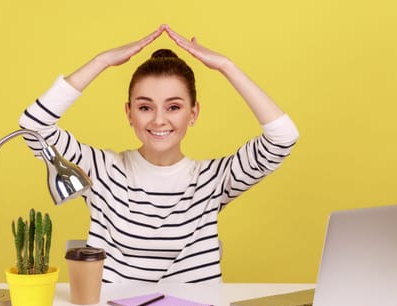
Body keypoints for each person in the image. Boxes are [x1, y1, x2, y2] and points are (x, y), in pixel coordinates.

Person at [19, 24, 299, 283]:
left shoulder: (214, 179)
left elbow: (283, 138)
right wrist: (101, 61)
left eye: (173, 107)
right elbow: (34, 126)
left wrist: (227, 67)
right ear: (129, 113)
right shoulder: (101, 169)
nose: (159, 120)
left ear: (194, 113)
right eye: (145, 107)